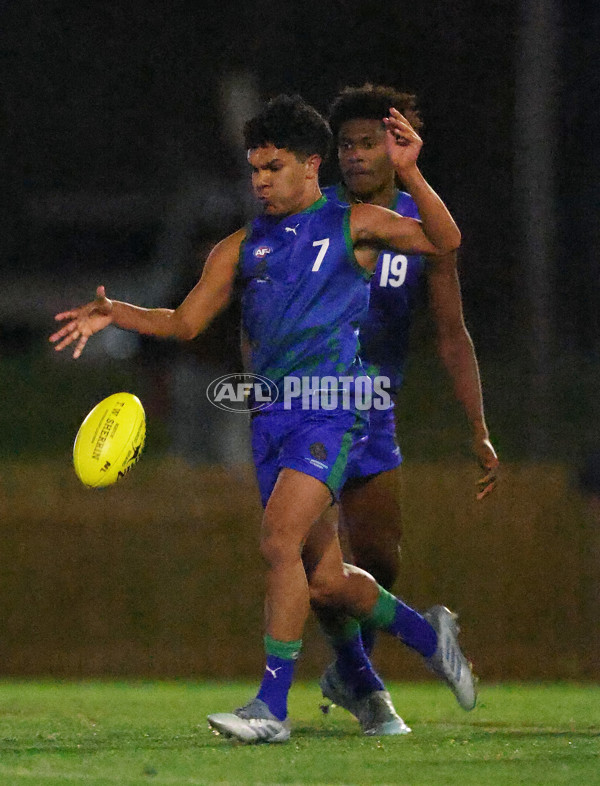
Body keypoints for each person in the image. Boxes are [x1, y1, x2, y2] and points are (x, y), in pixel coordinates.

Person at [50, 93, 475, 744]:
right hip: (270, 420)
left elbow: (444, 242)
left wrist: (412, 173)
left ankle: (270, 708)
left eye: (273, 167)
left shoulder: (355, 223)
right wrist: (118, 313)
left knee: (279, 542)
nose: (260, 181)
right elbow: (186, 322)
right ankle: (428, 634)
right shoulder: (242, 246)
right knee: (326, 581)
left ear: (311, 165)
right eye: (254, 169)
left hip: (330, 415)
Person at [313, 84, 499, 731]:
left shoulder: (420, 230)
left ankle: (354, 670)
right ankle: (371, 693)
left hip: (374, 411)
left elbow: (452, 334)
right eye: (346, 144)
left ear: (399, 148)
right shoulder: (318, 215)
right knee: (319, 562)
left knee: (378, 563)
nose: (357, 155)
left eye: (372, 143)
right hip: (313, 409)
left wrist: (478, 428)